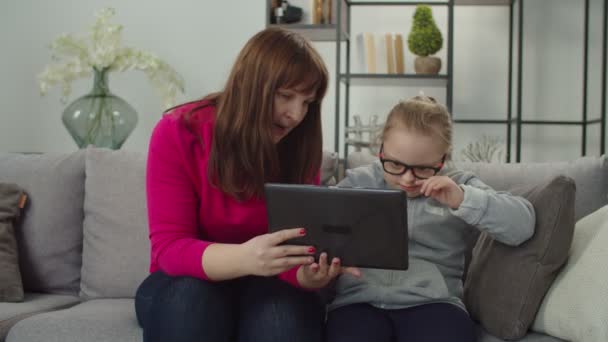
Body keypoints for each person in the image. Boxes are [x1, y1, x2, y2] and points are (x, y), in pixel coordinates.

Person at [134, 27, 359, 342]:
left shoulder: (300, 146)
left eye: (307, 102)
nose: (296, 115)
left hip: (270, 283)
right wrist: (245, 258)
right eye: (285, 96)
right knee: (188, 304)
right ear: (251, 85)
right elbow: (170, 248)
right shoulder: (178, 132)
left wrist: (309, 276)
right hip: (186, 281)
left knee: (281, 322)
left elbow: (298, 252)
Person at [326, 95, 536, 342]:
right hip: (359, 302)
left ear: (443, 159)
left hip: (435, 304)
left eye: (423, 168)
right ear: (381, 149)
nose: (407, 179)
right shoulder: (359, 181)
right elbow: (317, 226)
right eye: (395, 164)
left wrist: (462, 199)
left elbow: (523, 225)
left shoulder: (460, 185)